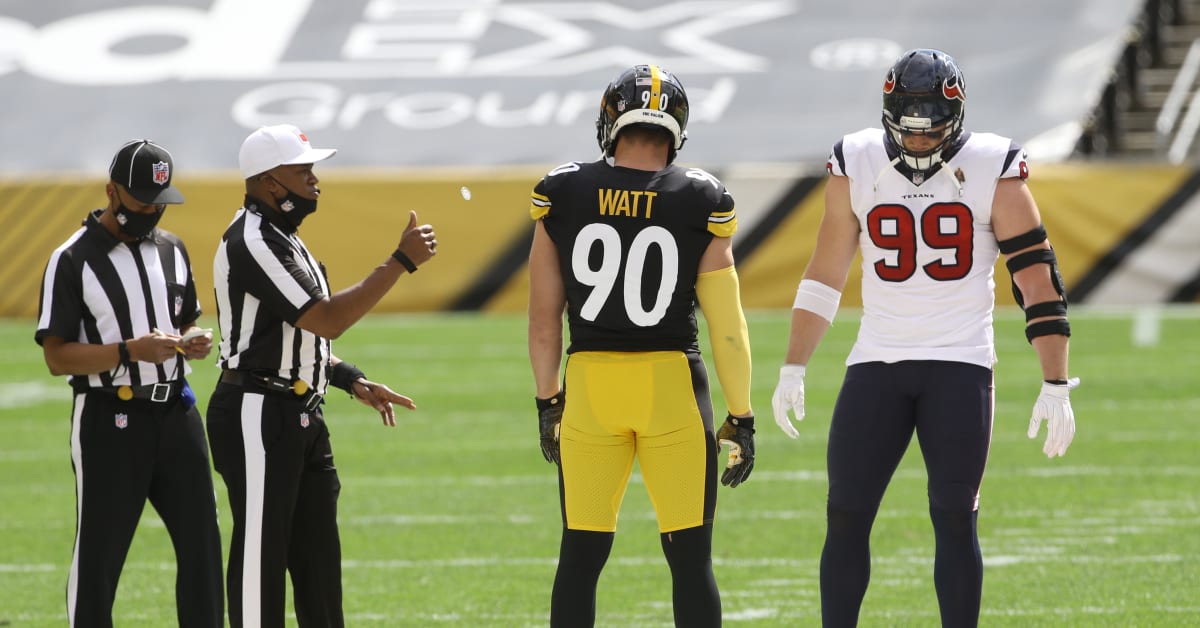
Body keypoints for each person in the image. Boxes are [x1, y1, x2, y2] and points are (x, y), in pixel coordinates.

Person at [770, 49, 1081, 627]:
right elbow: (825, 273)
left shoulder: (993, 163)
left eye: (930, 129)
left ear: (955, 116)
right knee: (845, 514)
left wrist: (1056, 380)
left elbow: (1037, 276)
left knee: (955, 517)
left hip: (959, 366)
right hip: (877, 363)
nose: (917, 142)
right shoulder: (857, 159)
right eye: (908, 130)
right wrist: (794, 366)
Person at [527, 64, 756, 628]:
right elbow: (728, 324)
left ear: (611, 120)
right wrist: (742, 414)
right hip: (672, 390)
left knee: (580, 556)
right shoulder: (701, 196)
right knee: (689, 561)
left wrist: (547, 400)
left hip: (590, 389)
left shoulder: (565, 190)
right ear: (675, 127)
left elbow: (542, 319)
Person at [204, 124, 438, 627]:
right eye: (302, 170)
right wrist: (400, 262)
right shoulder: (252, 239)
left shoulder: (285, 239)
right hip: (257, 412)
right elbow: (326, 318)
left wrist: (351, 378)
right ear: (269, 181)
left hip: (297, 411)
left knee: (318, 568)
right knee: (260, 561)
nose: (315, 180)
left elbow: (293, 339)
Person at [35, 139, 223, 626]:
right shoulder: (72, 258)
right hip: (110, 415)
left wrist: (190, 340)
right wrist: (128, 352)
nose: (150, 212)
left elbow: (180, 322)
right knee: (100, 556)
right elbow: (56, 357)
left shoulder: (172, 248)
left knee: (203, 546)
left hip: (176, 412)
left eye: (158, 202)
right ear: (111, 191)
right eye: (140, 201)